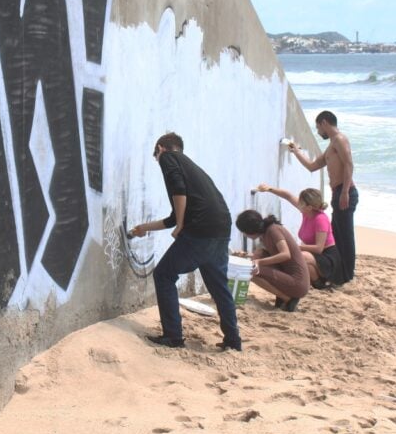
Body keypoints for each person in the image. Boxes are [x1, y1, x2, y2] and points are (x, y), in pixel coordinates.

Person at [129, 133, 242, 351]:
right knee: (219, 288)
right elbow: (174, 216)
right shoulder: (193, 169)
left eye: (156, 155)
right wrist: (145, 228)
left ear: (161, 148)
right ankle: (233, 340)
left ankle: (173, 336)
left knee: (163, 275)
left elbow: (178, 191)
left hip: (200, 230)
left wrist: (181, 224)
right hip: (220, 228)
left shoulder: (169, 157)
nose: (157, 160)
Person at [288, 110, 358, 282]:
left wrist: (344, 192)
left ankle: (346, 276)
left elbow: (349, 164)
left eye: (318, 127)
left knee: (345, 235)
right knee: (338, 234)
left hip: (344, 192)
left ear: (324, 123)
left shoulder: (340, 139)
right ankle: (340, 273)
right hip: (338, 192)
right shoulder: (331, 146)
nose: (318, 132)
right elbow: (312, 166)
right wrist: (296, 151)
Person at [255, 183, 345, 289]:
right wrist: (269, 189)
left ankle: (319, 283)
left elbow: (319, 248)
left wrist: (295, 247)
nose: (298, 203)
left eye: (301, 202)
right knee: (296, 256)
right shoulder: (306, 211)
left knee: (301, 256)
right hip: (312, 254)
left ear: (309, 207)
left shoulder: (320, 219)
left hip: (327, 256)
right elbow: (288, 196)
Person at [234, 210, 310, 311]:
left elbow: (285, 254)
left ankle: (288, 299)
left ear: (250, 230)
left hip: (298, 283)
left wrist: (259, 262)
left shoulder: (273, 230)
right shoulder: (266, 233)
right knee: (258, 254)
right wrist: (246, 255)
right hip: (289, 276)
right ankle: (284, 297)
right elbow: (267, 255)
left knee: (249, 272)